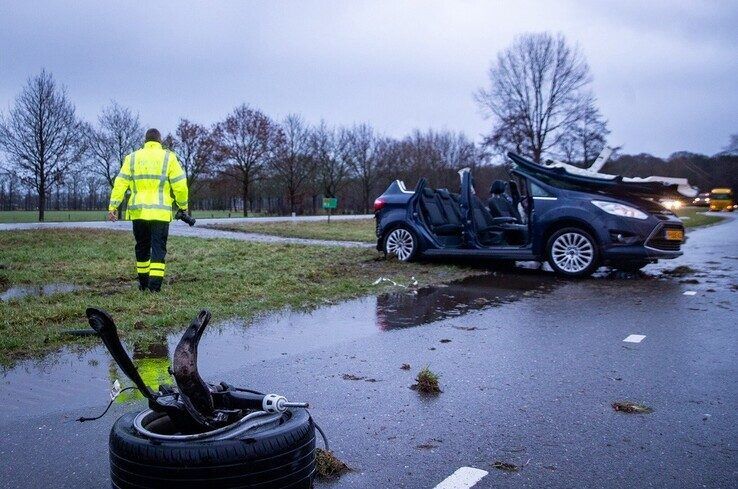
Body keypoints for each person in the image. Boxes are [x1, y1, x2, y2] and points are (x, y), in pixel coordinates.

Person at [108, 128, 188, 292]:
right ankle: (154, 287)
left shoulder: (132, 158)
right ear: (160, 141)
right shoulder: (169, 157)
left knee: (142, 247)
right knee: (158, 248)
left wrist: (113, 206)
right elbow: (180, 184)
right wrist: (183, 205)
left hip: (139, 212)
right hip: (160, 213)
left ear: (145, 141)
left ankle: (143, 284)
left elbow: (120, 183)